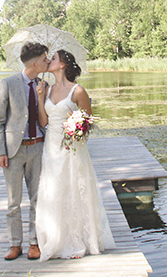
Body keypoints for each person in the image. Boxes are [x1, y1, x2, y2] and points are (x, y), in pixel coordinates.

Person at [35, 50, 116, 261]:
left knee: (72, 188)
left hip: (71, 148)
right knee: (53, 189)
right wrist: (40, 96)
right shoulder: (48, 88)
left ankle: (77, 240)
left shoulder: (78, 91)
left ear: (62, 65)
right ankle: (55, 238)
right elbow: (43, 123)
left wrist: (76, 129)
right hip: (50, 148)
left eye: (53, 58)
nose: (49, 61)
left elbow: (88, 122)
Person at [0, 42, 49, 261]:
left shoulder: (44, 84)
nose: (47, 62)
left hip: (38, 148)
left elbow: (46, 118)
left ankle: (35, 243)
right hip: (14, 151)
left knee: (38, 199)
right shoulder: (7, 84)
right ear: (34, 63)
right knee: (13, 202)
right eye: (45, 59)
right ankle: (15, 244)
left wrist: (42, 96)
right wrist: (0, 151)